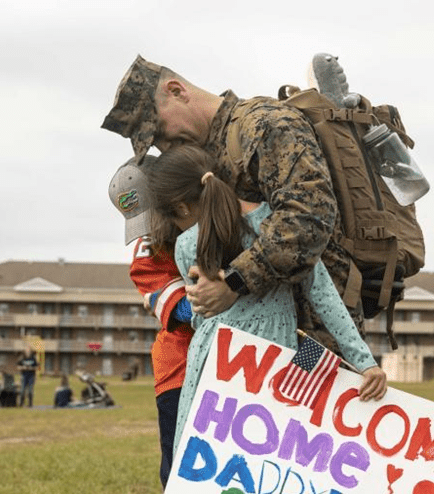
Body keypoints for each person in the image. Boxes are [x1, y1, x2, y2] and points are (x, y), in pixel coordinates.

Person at [148, 145, 389, 494]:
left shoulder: (189, 244)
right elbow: (321, 293)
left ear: (181, 208)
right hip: (266, 388)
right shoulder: (277, 230)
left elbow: (206, 312)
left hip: (207, 385)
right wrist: (363, 359)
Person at [102, 56, 357, 354]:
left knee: (311, 398)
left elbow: (308, 221)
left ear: (177, 91)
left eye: (158, 131)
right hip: (257, 342)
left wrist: (234, 282)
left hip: (314, 334)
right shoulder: (205, 154)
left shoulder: (266, 125)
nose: (162, 147)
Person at [109, 158, 233, 494]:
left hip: (240, 373)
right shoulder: (154, 249)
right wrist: (200, 300)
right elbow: (172, 304)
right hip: (181, 376)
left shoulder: (229, 220)